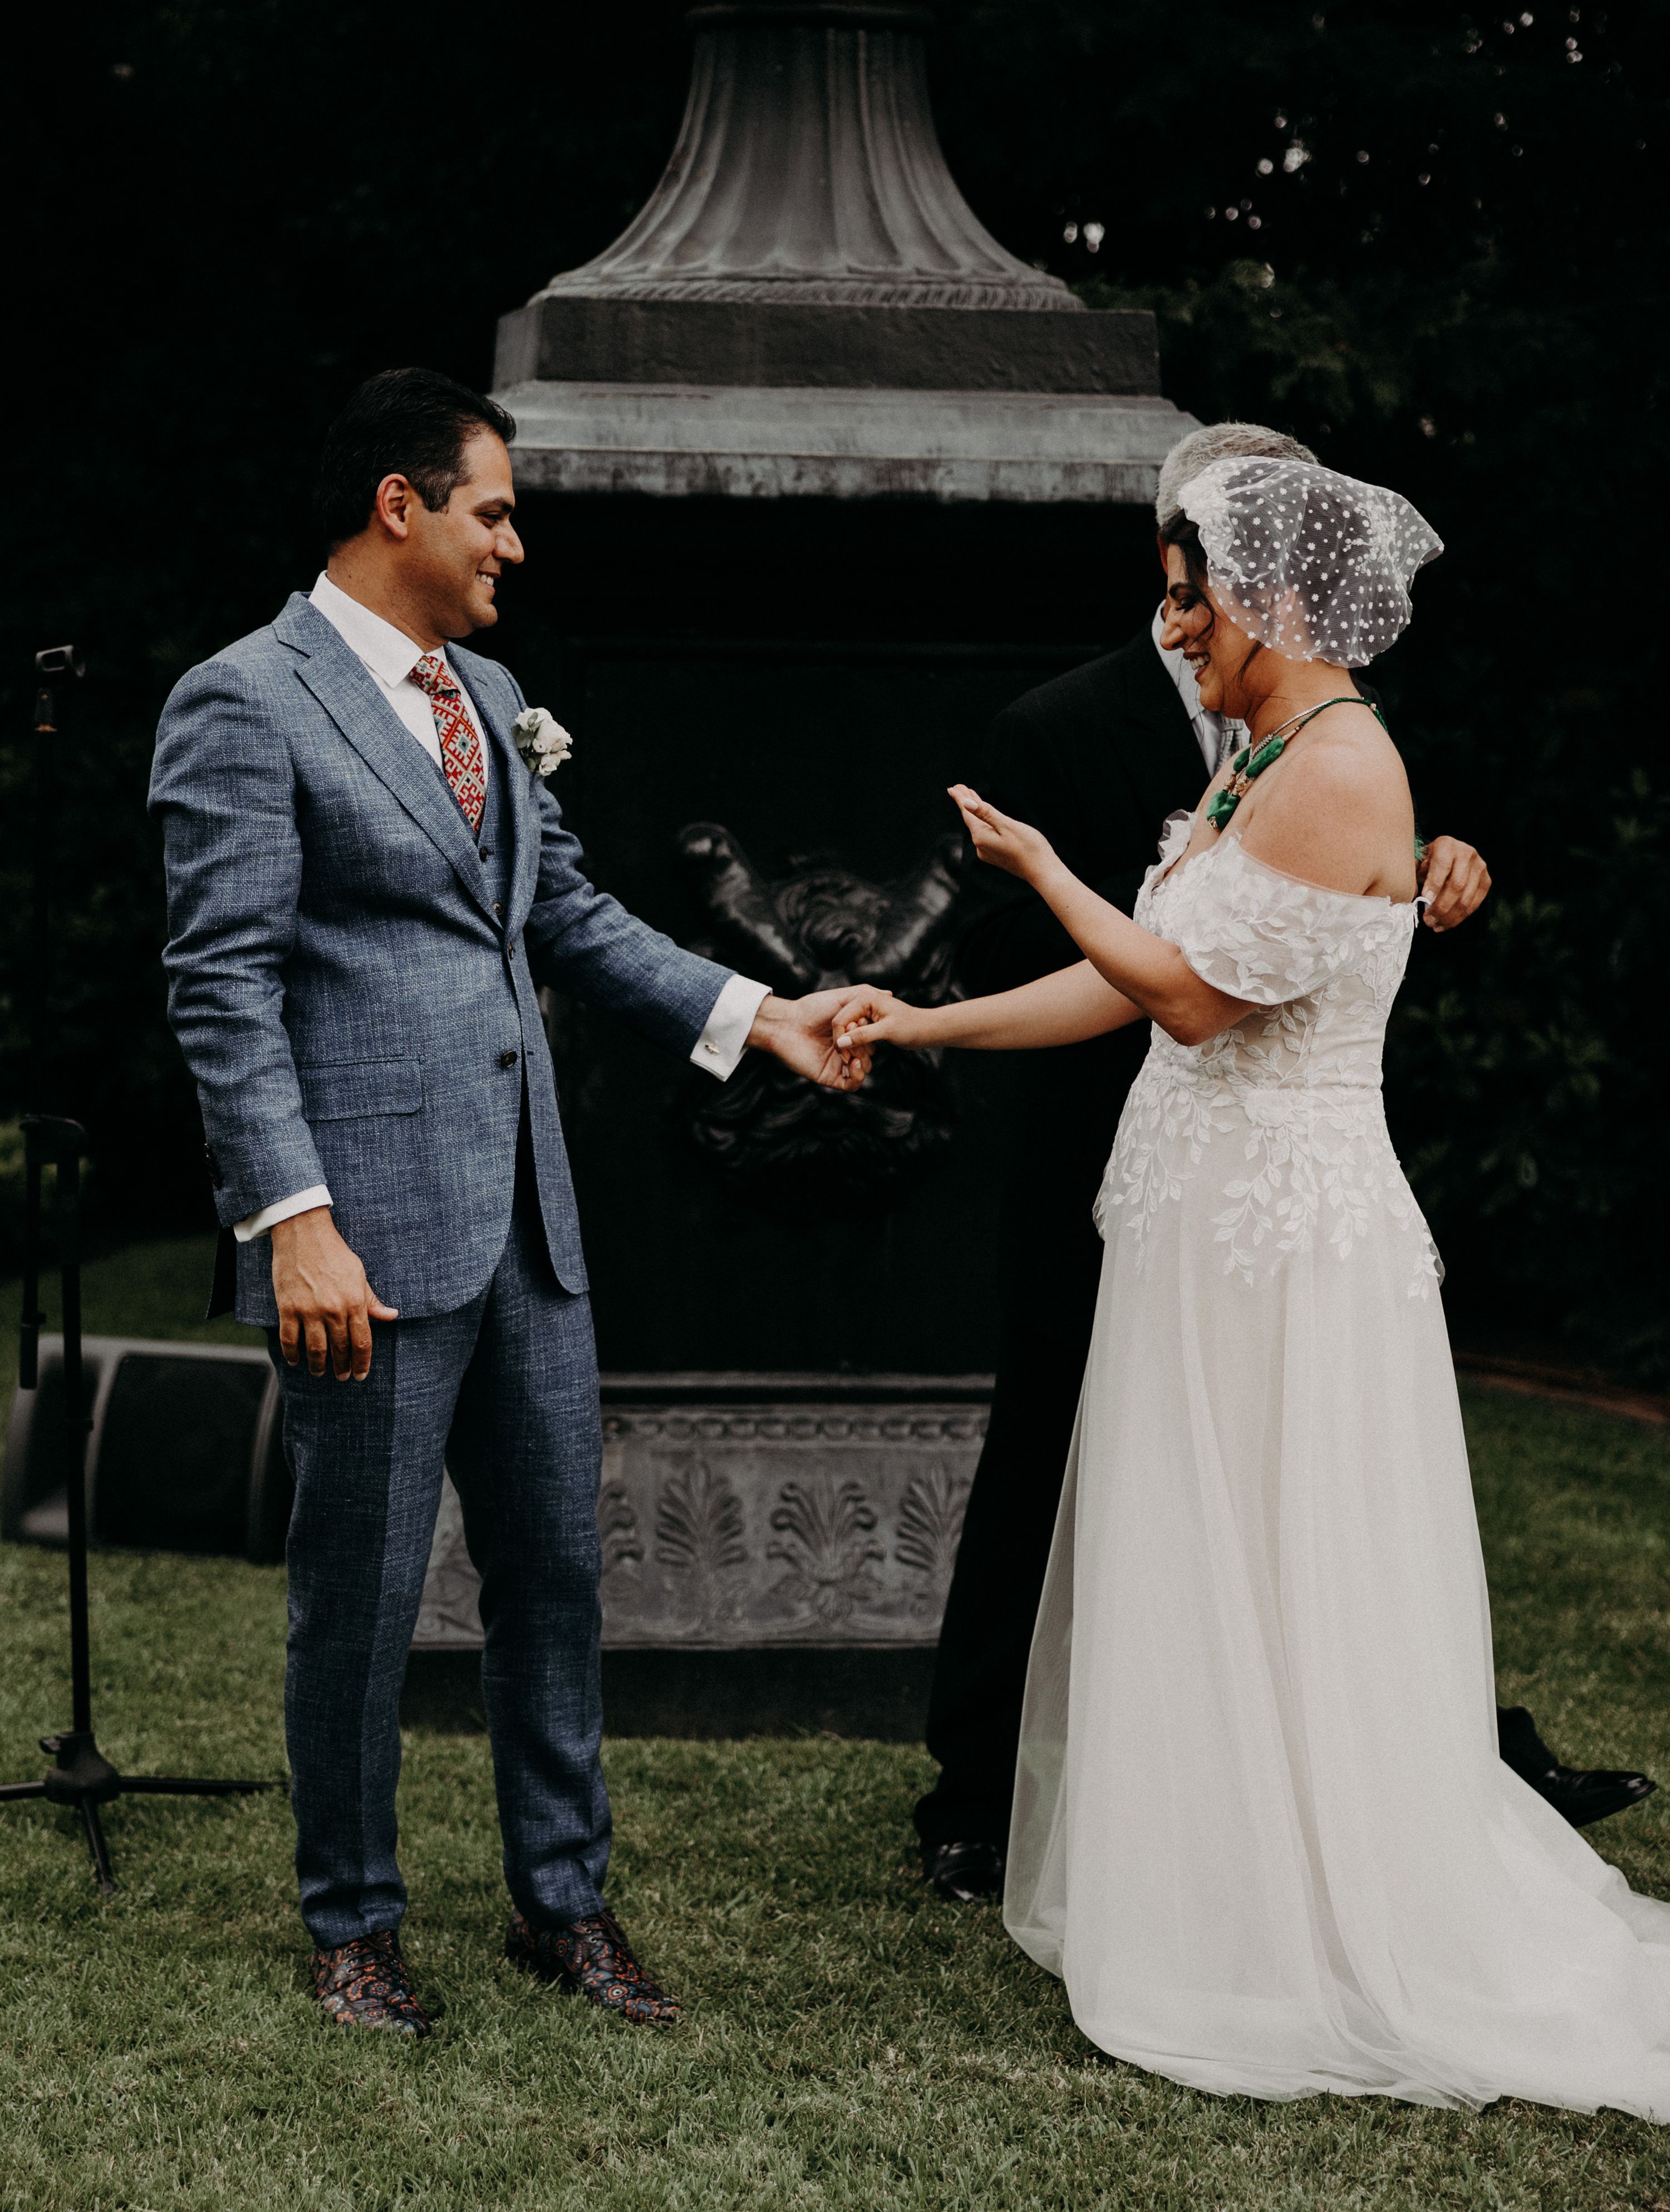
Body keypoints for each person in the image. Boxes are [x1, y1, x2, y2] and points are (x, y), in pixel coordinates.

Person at [833, 455, 1670, 2112]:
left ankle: (1305, 1926)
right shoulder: (1274, 759)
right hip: (1203, 1229)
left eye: (1188, 595)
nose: (1174, 627)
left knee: (1284, 1562)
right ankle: (1217, 1889)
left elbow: (1193, 1001)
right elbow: (1115, 990)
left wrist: (1042, 867)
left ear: (1274, 598)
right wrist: (919, 1020)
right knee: (1199, 1560)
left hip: (1280, 1246)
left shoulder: (1342, 765)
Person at [149, 368, 866, 2038]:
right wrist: (292, 1216)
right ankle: (353, 1922)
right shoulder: (244, 702)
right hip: (364, 1236)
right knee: (366, 1589)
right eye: (494, 509)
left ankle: (566, 1899)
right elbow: (222, 985)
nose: (515, 544)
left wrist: (758, 1014)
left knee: (557, 1573)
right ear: (398, 505)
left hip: (529, 1219)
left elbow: (573, 916)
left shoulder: (493, 692)